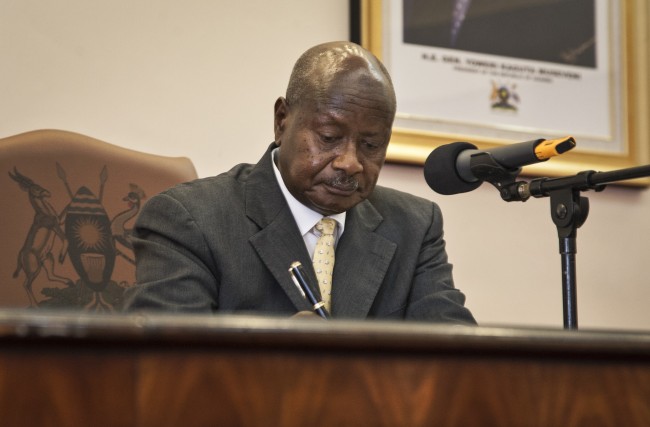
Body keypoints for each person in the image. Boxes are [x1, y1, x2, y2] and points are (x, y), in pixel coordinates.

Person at [123, 41, 476, 324]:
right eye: (328, 137)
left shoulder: (414, 227)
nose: (350, 162)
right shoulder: (191, 221)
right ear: (282, 122)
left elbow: (461, 362)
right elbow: (166, 371)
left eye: (371, 145)